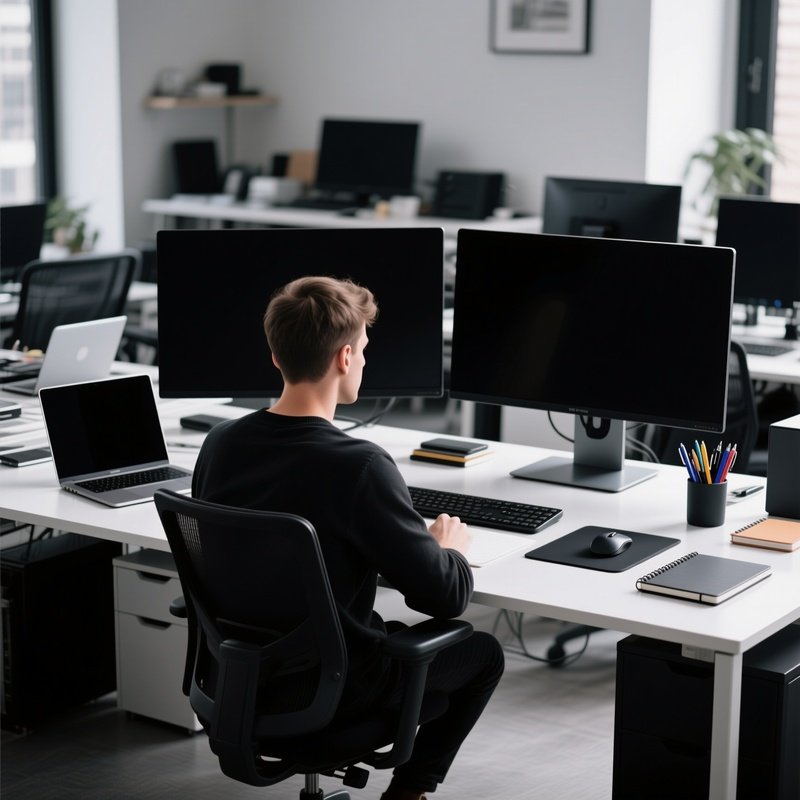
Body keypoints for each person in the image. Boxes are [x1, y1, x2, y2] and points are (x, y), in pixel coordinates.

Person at [192, 275, 504, 800]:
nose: (364, 360)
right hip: (335, 693)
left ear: (275, 356)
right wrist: (446, 551)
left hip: (238, 680)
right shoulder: (358, 466)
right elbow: (444, 598)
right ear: (343, 357)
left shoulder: (220, 443)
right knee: (483, 654)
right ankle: (409, 792)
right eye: (362, 349)